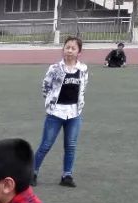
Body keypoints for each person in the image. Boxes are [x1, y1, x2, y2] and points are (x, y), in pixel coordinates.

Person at [33, 36, 89, 188]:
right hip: (55, 113)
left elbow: (82, 88)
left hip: (74, 114)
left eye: (73, 48)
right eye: (67, 47)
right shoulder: (55, 68)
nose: (69, 50)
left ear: (79, 52)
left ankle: (67, 175)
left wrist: (79, 105)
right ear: (63, 49)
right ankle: (32, 172)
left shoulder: (82, 69)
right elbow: (46, 87)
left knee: (70, 146)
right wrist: (50, 102)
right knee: (46, 145)